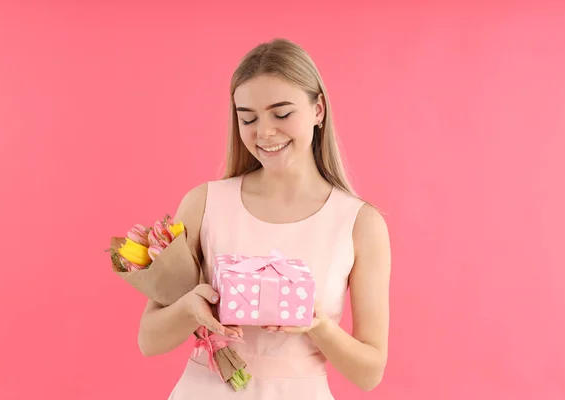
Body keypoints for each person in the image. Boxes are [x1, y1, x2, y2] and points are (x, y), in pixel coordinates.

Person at [137, 38, 392, 399]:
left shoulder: (359, 223)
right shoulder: (204, 203)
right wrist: (190, 310)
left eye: (282, 113)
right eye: (248, 118)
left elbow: (369, 373)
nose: (264, 132)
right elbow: (149, 341)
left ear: (318, 109)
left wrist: (316, 325)